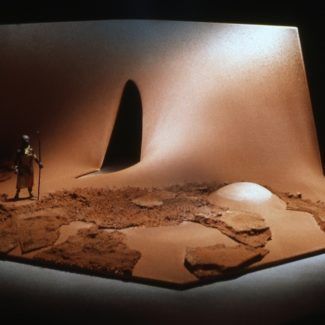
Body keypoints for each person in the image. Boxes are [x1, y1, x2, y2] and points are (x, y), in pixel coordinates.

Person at [14, 134, 43, 200]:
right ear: (22, 142)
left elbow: (34, 157)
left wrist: (39, 163)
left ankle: (30, 193)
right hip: (22, 168)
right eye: (25, 141)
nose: (27, 142)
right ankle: (17, 194)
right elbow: (16, 161)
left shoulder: (30, 149)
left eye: (27, 140)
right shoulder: (20, 151)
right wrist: (15, 168)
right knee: (20, 182)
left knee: (30, 181)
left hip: (29, 168)